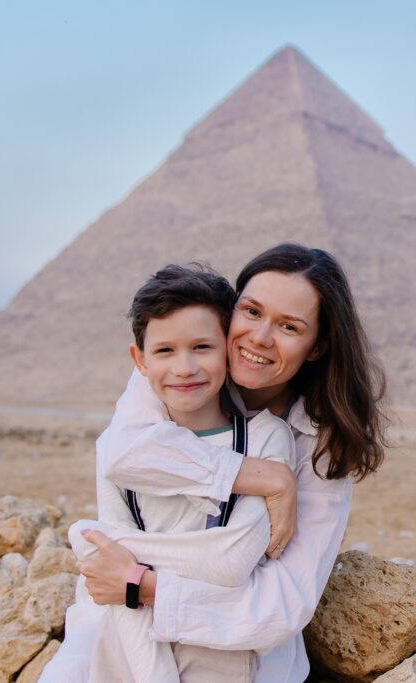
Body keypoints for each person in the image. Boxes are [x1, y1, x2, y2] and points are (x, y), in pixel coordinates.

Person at [44, 243, 387, 683]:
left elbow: (281, 605)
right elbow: (122, 454)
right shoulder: (178, 372)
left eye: (288, 326)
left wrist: (140, 583)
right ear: (229, 312)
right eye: (251, 312)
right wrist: (266, 477)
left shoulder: (317, 451)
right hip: (116, 638)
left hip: (233, 658)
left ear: (317, 346)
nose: (260, 338)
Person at [66, 264, 295, 682]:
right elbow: (119, 596)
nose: (184, 367)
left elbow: (229, 563)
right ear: (139, 360)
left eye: (202, 347)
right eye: (165, 351)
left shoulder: (266, 441)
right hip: (131, 659)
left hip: (223, 653)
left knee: (85, 534)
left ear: (228, 348)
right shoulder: (123, 447)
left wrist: (127, 561)